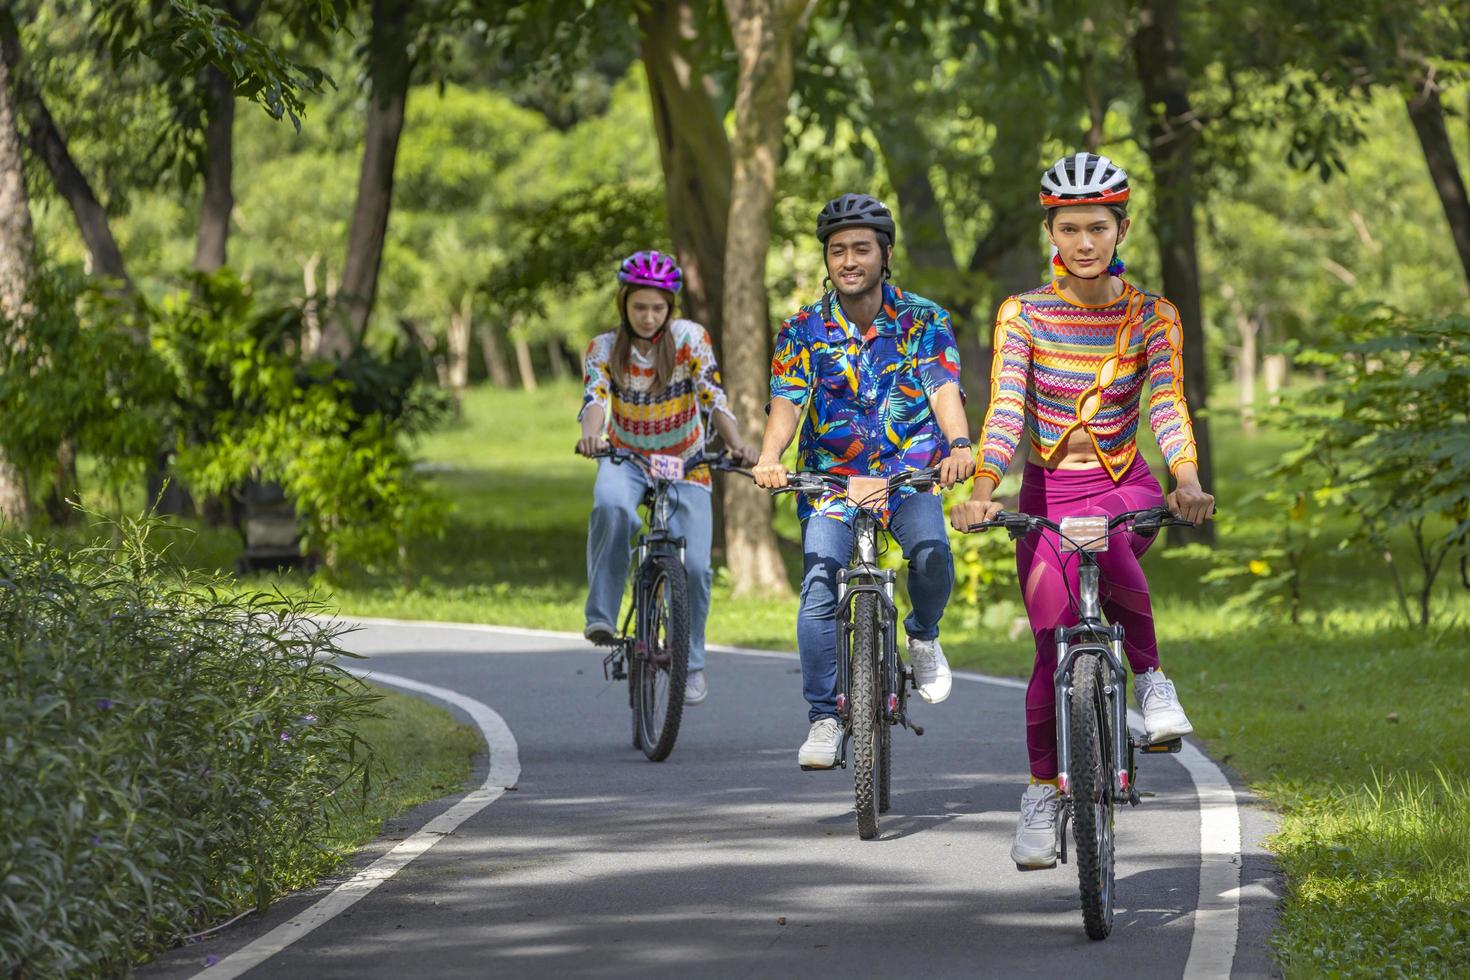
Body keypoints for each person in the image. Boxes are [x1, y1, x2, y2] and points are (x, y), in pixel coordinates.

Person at [950, 153, 1215, 869]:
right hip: (1042, 496)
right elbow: (1006, 407)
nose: (1085, 242)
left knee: (1104, 528)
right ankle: (1041, 793)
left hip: (1124, 487)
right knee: (1048, 648)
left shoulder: (1152, 315)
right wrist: (982, 490)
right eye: (1071, 228)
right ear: (1053, 234)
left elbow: (1166, 403)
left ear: (1121, 227)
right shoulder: (1024, 314)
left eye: (1099, 226)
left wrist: (1185, 479)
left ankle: (1153, 679)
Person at [752, 193, 975, 769]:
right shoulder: (801, 327)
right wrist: (770, 456)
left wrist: (958, 445)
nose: (848, 260)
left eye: (860, 249)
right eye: (836, 250)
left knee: (931, 556)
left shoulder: (924, 319)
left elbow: (941, 385)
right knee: (820, 587)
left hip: (907, 474)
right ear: (826, 260)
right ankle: (825, 717)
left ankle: (923, 635)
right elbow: (787, 399)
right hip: (830, 482)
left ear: (885, 254)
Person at [577, 250, 757, 706]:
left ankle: (691, 662)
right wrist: (591, 436)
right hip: (626, 457)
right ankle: (600, 615)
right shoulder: (602, 348)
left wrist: (737, 444)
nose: (648, 316)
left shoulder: (691, 340)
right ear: (624, 305)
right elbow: (595, 399)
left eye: (658, 307)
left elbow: (713, 396)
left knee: (695, 567)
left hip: (687, 461)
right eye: (639, 307)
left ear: (670, 308)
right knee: (612, 507)